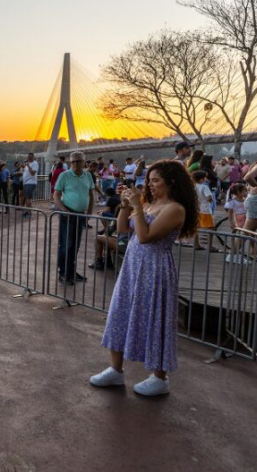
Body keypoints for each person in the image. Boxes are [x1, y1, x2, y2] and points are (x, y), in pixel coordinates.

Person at [91, 160, 198, 397]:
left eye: (155, 181)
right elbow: (123, 228)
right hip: (132, 266)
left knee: (155, 318)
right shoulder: (149, 204)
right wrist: (125, 206)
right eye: (149, 180)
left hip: (155, 269)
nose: (150, 185)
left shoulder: (175, 209)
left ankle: (160, 377)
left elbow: (145, 237)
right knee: (120, 311)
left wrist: (137, 207)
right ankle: (115, 369)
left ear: (171, 182)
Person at [52, 151, 95, 285]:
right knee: (66, 244)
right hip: (68, 214)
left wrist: (89, 211)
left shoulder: (88, 175)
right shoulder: (64, 175)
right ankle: (63, 273)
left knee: (75, 245)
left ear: (84, 162)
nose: (75, 164)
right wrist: (64, 210)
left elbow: (91, 194)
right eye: (73, 162)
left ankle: (71, 271)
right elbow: (56, 195)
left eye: (78, 161)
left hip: (81, 214)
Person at [192, 170, 217, 251]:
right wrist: (211, 201)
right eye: (205, 177)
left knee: (196, 227)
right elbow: (208, 197)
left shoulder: (194, 186)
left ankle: (196, 244)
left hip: (197, 209)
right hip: (205, 210)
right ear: (201, 179)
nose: (206, 179)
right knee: (211, 228)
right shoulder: (204, 187)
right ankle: (210, 246)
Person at [21, 153, 39, 217]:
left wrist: (28, 166)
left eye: (30, 157)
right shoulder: (27, 164)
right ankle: (27, 211)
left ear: (33, 157)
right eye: (28, 157)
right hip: (26, 183)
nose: (29, 158)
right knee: (26, 198)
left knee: (28, 198)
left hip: (30, 183)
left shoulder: (35, 163)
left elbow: (33, 173)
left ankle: (29, 213)